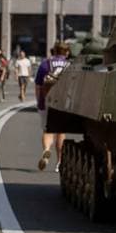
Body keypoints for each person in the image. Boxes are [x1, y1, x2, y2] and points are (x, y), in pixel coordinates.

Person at [35, 42, 72, 171]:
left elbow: (38, 86)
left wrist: (39, 102)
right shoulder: (70, 66)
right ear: (67, 52)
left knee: (47, 130)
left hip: (46, 101)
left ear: (54, 51)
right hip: (63, 103)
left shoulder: (45, 64)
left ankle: (46, 150)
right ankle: (60, 162)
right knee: (60, 132)